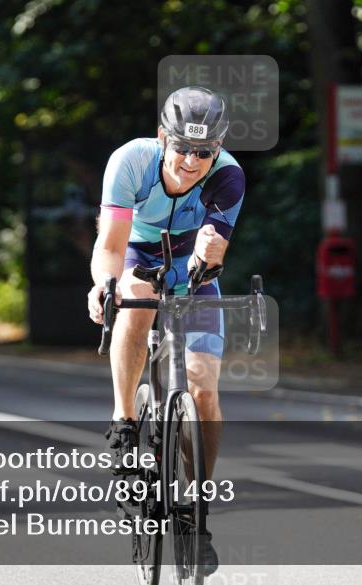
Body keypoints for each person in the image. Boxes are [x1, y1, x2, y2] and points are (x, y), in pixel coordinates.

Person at [87, 86, 245, 573]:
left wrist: (206, 257)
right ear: (163, 138)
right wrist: (104, 284)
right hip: (137, 256)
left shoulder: (229, 177)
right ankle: (124, 420)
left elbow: (214, 245)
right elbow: (111, 242)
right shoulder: (129, 162)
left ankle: (196, 515)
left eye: (204, 152)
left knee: (204, 392)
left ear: (216, 149)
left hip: (193, 272)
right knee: (135, 299)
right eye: (182, 148)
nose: (192, 161)